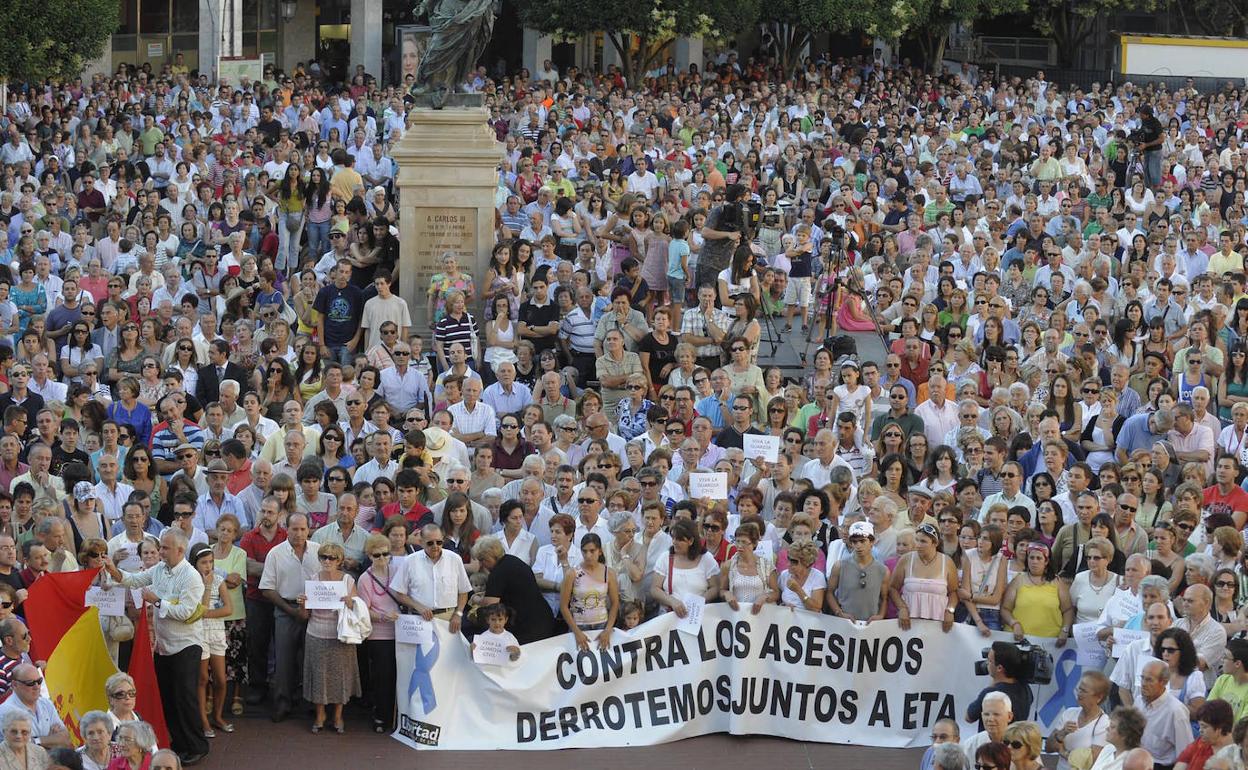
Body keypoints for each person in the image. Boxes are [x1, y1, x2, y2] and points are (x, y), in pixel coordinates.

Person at [100, 531, 209, 766]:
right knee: (169, 698)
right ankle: (179, 742)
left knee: (185, 698)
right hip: (163, 645)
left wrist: (157, 600)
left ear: (180, 551)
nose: (160, 552)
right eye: (162, 548)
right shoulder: (160, 569)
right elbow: (133, 580)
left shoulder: (192, 577)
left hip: (186, 645)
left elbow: (188, 612)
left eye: (166, 549)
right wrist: (112, 569)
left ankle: (197, 745)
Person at [302, 542, 360, 734]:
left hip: (340, 635)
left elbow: (357, 611)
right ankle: (320, 715)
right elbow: (305, 616)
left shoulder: (348, 581)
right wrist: (303, 603)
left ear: (340, 561)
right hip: (316, 632)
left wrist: (350, 602)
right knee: (318, 676)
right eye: (323, 557)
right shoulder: (313, 579)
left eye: (332, 558)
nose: (327, 561)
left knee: (340, 676)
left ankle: (337, 715)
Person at [559, 533, 619, 651]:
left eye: (592, 551)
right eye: (585, 551)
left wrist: (607, 629)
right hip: (579, 625)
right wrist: (577, 632)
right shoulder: (572, 574)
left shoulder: (609, 573)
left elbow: (615, 603)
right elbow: (563, 606)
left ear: (599, 551)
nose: (588, 555)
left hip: (602, 624)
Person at [1048, 671, 1112, 770]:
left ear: (1099, 697)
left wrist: (1062, 751)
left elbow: (1091, 762)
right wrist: (1061, 734)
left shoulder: (1104, 723)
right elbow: (1048, 748)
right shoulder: (1069, 713)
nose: (1079, 693)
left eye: (1084, 691)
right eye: (1079, 689)